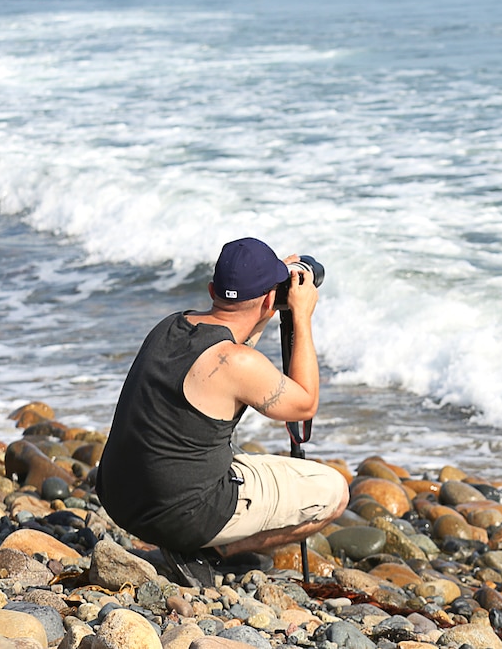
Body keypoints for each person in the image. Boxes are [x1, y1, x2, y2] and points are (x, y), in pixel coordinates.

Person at [96, 237, 348, 588]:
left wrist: (268, 293)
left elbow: (234, 339)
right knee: (334, 492)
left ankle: (194, 538)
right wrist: (302, 318)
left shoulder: (172, 325)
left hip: (119, 498)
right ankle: (205, 551)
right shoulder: (236, 363)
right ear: (269, 300)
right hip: (179, 516)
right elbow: (304, 404)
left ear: (213, 289)